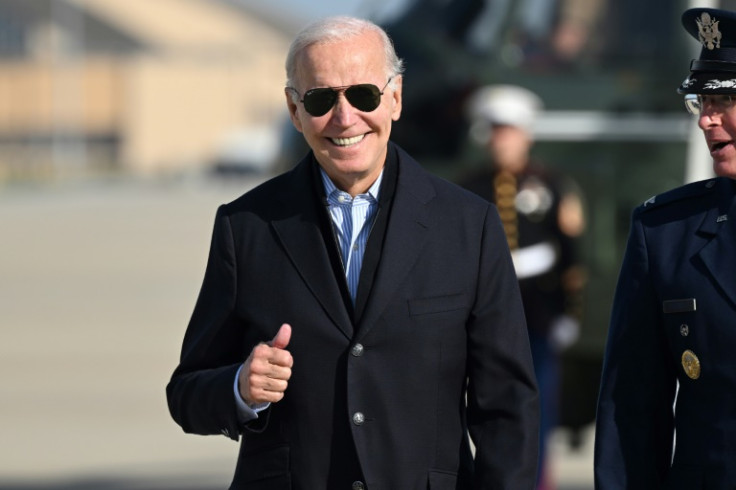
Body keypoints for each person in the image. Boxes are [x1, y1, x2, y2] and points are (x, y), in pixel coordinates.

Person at [166, 16, 540, 489]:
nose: (345, 118)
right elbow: (187, 393)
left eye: (363, 95)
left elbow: (507, 408)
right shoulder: (246, 227)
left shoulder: (471, 226)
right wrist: (241, 388)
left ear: (395, 98)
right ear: (294, 109)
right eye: (322, 99)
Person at [595, 7, 736, 488]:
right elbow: (630, 406)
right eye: (702, 103)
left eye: (726, 100)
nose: (707, 121)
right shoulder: (665, 231)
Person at [459, 85, 586, 490]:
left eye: (510, 131)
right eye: (496, 131)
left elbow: (571, 255)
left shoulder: (550, 186)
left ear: (526, 135)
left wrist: (569, 312)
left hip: (537, 316)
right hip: (485, 318)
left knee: (537, 405)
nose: (502, 140)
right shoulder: (468, 187)